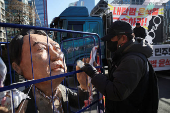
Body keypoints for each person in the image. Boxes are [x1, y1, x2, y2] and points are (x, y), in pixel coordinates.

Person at [8, 29, 96, 113]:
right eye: (41, 48)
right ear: (17, 68)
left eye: (57, 48)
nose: (57, 55)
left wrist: (84, 86)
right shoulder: (20, 102)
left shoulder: (62, 90)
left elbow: (79, 102)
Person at [80, 20, 159, 113]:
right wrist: (98, 73)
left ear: (123, 38)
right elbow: (118, 79)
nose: (109, 42)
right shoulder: (125, 55)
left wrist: (94, 74)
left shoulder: (132, 60)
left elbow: (116, 92)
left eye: (111, 38)